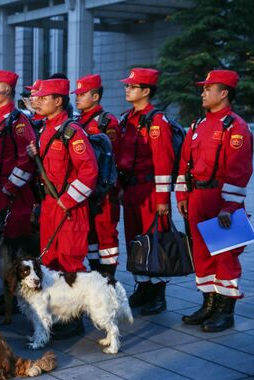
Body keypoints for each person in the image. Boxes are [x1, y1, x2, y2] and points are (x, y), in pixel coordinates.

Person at [176, 70, 252, 332]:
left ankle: (225, 310)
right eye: (203, 89)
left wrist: (230, 207)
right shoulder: (197, 126)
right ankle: (208, 304)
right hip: (198, 197)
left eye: (208, 89)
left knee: (225, 255)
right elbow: (185, 163)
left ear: (224, 93)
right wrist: (183, 195)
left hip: (222, 200)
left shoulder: (235, 126)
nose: (203, 93)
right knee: (202, 254)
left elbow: (239, 170)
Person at [27, 78, 98, 337]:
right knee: (51, 261)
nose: (38, 101)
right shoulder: (47, 128)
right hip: (51, 205)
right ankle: (59, 313)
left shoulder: (72, 131)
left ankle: (74, 319)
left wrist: (68, 200)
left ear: (58, 101)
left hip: (69, 207)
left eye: (43, 98)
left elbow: (89, 171)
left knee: (70, 261)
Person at [118, 68, 175, 315]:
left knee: (155, 243)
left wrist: (163, 199)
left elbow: (163, 161)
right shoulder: (126, 119)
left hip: (150, 191)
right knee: (135, 241)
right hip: (131, 190)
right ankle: (142, 287)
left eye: (132, 86)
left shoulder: (156, 122)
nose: (127, 89)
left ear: (146, 91)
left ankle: (158, 293)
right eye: (127, 86)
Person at [0, 70, 36, 252]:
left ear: (7, 89)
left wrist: (9, 189)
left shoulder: (17, 121)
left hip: (14, 195)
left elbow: (26, 160)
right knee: (2, 244)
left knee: (15, 245)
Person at [73, 74, 121, 279]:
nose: (77, 98)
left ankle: (108, 278)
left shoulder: (107, 122)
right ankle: (95, 277)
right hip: (86, 190)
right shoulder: (77, 122)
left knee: (106, 235)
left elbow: (114, 157)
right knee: (90, 235)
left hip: (104, 192)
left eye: (82, 94)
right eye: (77, 94)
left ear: (95, 96)